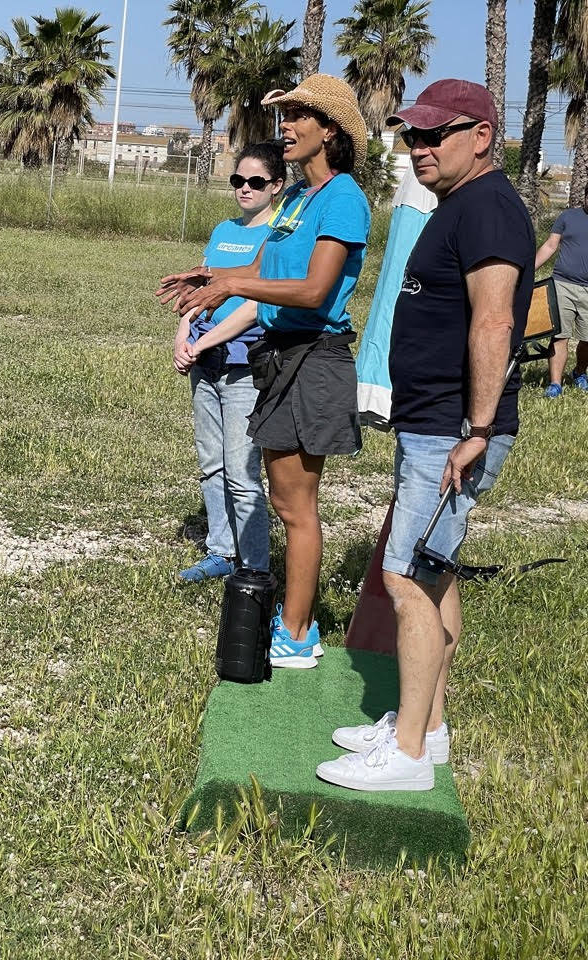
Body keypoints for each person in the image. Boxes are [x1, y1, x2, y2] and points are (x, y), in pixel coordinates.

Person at [317, 79, 532, 791]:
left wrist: (476, 427)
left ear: (483, 135)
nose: (420, 147)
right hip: (435, 425)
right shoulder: (458, 206)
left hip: (453, 431)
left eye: (438, 134)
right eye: (414, 134)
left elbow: (496, 321)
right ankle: (427, 729)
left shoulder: (490, 210)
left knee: (404, 575)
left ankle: (406, 756)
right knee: (433, 575)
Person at [158, 75, 371, 669]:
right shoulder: (300, 198)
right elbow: (263, 259)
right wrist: (210, 276)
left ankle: (298, 634)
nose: (287, 125)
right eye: (287, 113)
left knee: (298, 507)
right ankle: (291, 617)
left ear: (331, 129)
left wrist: (232, 284)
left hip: (313, 358)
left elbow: (313, 287)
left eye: (301, 115)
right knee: (283, 500)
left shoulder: (343, 198)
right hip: (279, 356)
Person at [170, 142, 284, 584]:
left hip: (244, 366)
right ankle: (221, 550)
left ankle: (254, 565)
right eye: (238, 180)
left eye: (256, 182)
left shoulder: (278, 236)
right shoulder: (222, 231)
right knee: (211, 463)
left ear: (276, 186)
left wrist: (206, 341)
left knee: (242, 470)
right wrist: (184, 334)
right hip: (205, 362)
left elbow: (255, 305)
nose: (245, 189)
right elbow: (198, 292)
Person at [534, 201, 588, 397]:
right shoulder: (567, 217)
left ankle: (579, 372)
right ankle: (555, 384)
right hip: (562, 284)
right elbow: (550, 245)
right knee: (560, 335)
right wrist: (528, 271)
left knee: (587, 340)